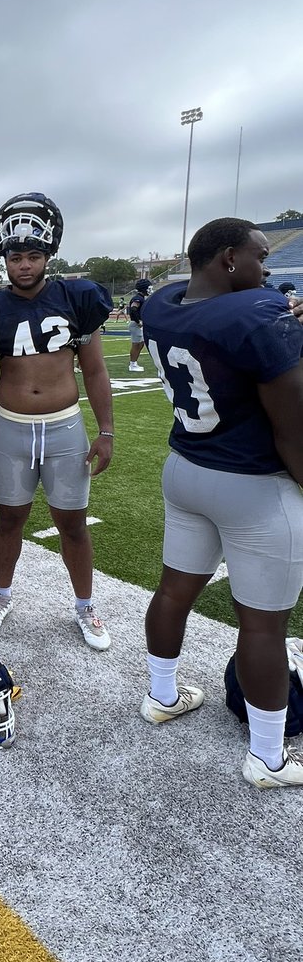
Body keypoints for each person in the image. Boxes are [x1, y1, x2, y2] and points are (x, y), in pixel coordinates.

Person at [139, 217, 303, 788]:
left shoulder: (161, 303)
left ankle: (162, 696)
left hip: (186, 468)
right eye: (260, 257)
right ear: (229, 258)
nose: (267, 269)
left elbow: (223, 330)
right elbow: (292, 430)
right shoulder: (258, 317)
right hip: (252, 484)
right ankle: (268, 757)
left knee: (173, 589)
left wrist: (282, 324)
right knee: (263, 627)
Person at [0, 193, 115, 650]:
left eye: (33, 255)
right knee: (9, 519)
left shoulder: (78, 296)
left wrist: (106, 430)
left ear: (48, 256)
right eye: (16, 256)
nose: (24, 264)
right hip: (11, 427)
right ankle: (1, 594)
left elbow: (93, 369)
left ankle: (85, 605)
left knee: (73, 522)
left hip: (65, 426)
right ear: (5, 259)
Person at [127, 279, 152, 371]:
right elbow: (133, 309)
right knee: (137, 344)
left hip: (137, 324)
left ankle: (134, 363)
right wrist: (138, 321)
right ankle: (132, 365)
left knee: (140, 343)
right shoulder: (138, 298)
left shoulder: (141, 298)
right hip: (135, 324)